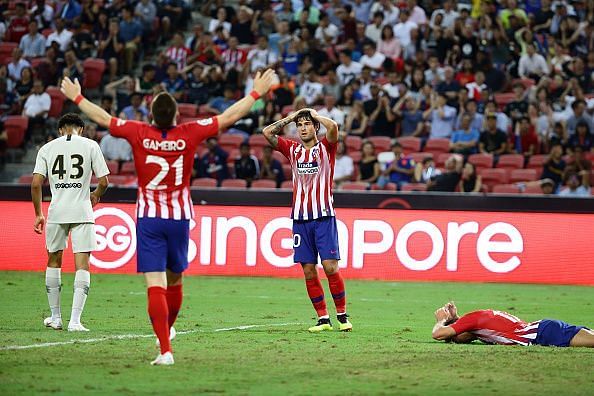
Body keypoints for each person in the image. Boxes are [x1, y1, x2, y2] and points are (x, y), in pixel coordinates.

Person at [60, 69, 276, 365]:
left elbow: (102, 118)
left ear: (151, 116)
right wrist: (256, 92)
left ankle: (165, 350)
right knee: (175, 279)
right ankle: (170, 328)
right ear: (176, 117)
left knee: (155, 283)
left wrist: (77, 97)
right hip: (179, 218)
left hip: (149, 218)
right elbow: (227, 117)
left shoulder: (139, 132)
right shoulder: (189, 133)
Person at [262, 108, 352, 333]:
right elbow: (267, 133)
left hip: (323, 217)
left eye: (307, 124)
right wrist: (291, 118)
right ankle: (323, 319)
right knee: (309, 270)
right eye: (300, 125)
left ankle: (342, 315)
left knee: (331, 267)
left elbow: (333, 128)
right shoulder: (292, 150)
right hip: (300, 219)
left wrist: (313, 113)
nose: (302, 128)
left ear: (315, 127)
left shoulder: (326, 148)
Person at [31, 113, 109, 333]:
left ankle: (56, 318)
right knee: (82, 263)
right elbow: (104, 181)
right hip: (82, 211)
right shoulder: (91, 145)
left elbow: (36, 184)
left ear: (60, 130)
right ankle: (75, 321)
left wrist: (38, 214)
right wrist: (95, 194)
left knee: (54, 260)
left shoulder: (46, 149)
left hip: (57, 212)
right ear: (81, 129)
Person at [432, 301, 594, 348]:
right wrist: (455, 319)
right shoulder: (479, 325)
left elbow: (438, 334)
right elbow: (463, 336)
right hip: (544, 329)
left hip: (542, 333)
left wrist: (441, 320)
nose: (457, 339)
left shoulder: (472, 320)